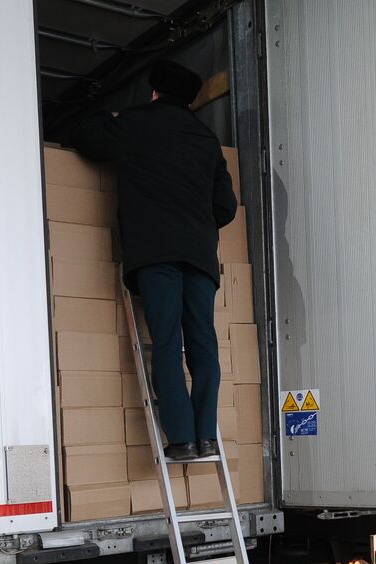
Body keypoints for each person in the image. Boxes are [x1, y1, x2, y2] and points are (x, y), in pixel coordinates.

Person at [69, 60, 238, 462]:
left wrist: (102, 114)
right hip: (199, 257)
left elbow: (87, 138)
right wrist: (195, 222)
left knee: (166, 341)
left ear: (155, 92)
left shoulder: (136, 122)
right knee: (203, 345)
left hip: (155, 253)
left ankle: (181, 439)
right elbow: (226, 207)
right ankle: (206, 437)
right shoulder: (206, 138)